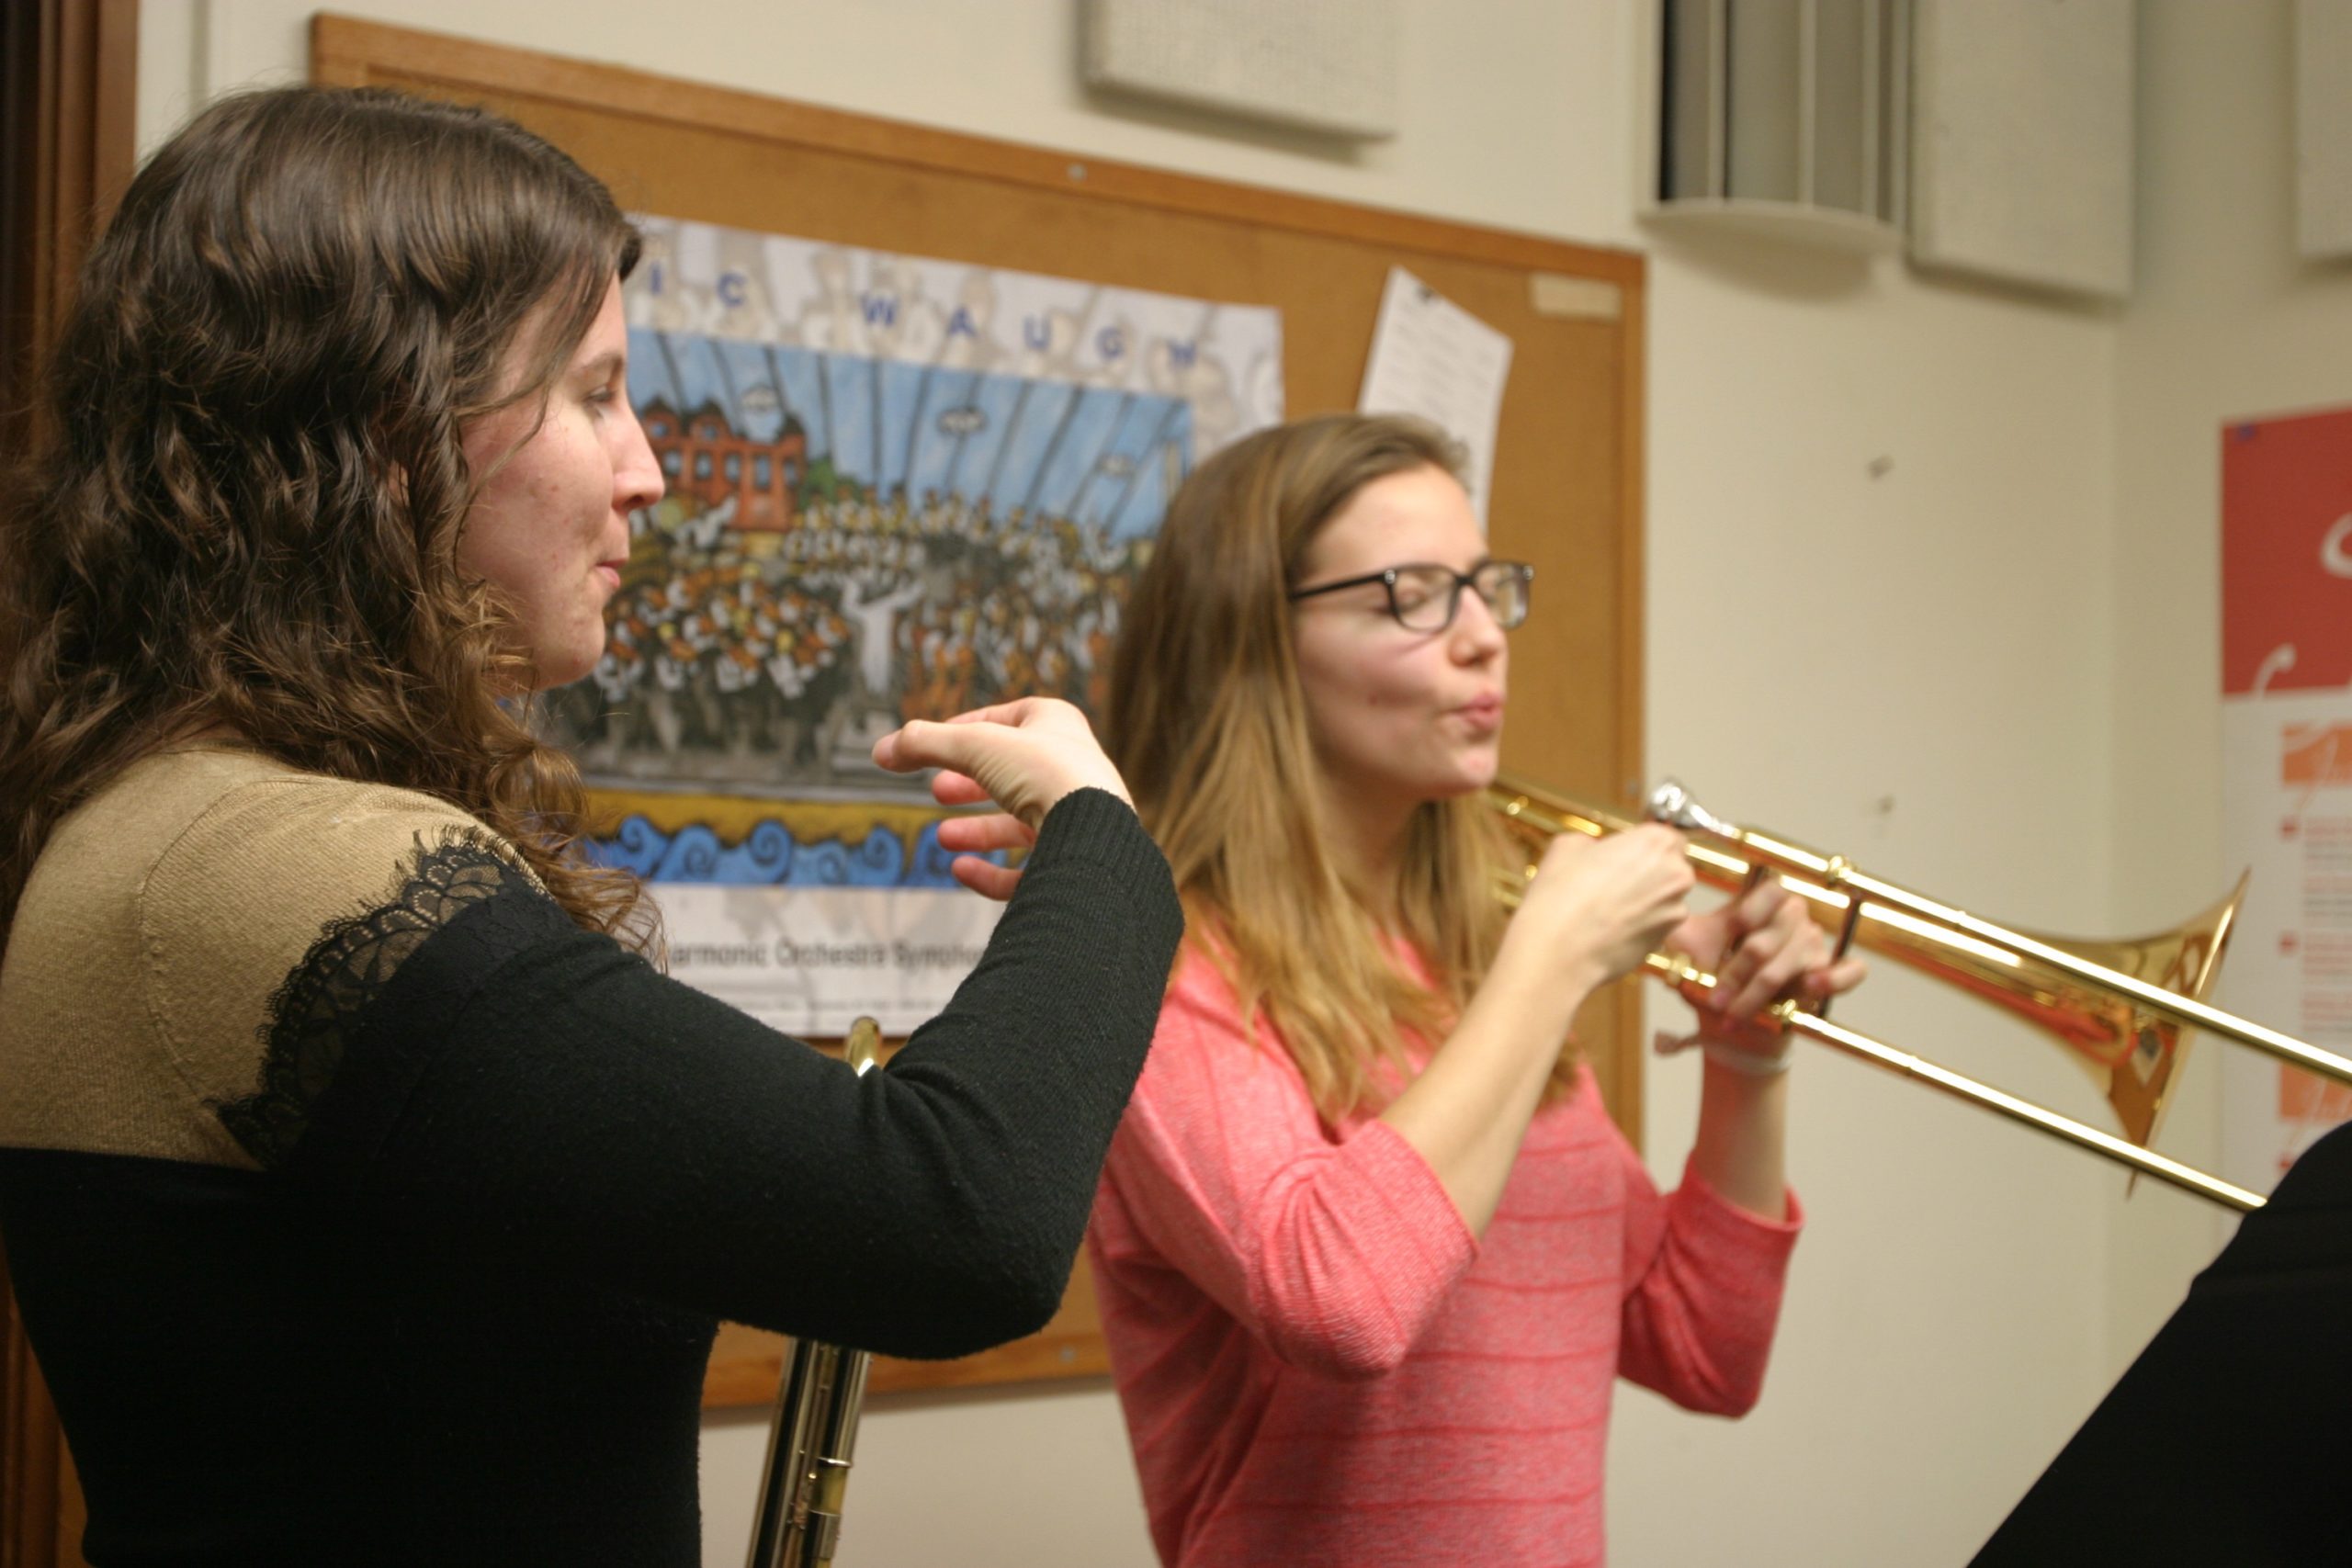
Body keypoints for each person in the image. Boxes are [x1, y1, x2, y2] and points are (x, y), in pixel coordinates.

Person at [0, 87, 1182, 1566]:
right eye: (594, 392)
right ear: (389, 428)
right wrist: (1100, 835)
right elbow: (955, 1217)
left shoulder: (188, 820)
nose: (650, 470)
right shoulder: (252, 860)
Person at [1089, 412, 1866, 1567]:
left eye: (1484, 587)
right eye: (1411, 595)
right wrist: (1550, 958)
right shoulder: (1163, 969)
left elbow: (1703, 1351)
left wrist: (1745, 1052)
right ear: (1252, 642)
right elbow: (1337, 1300)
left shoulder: (1468, 968)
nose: (1482, 639)